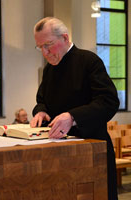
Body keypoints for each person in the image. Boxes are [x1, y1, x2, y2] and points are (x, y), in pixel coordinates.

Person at [30, 17, 119, 200]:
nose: (45, 52)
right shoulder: (49, 69)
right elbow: (42, 100)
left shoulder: (89, 61)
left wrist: (73, 116)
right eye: (40, 47)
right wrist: (40, 111)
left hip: (92, 148)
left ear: (64, 37)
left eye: (48, 45)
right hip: (58, 151)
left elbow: (108, 101)